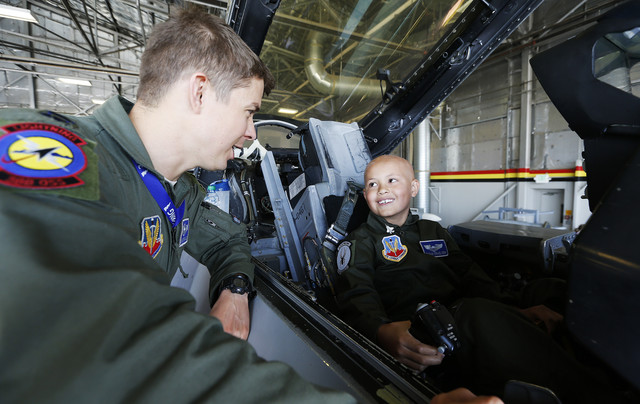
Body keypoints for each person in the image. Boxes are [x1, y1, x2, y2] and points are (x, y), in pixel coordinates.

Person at [335, 155, 627, 404]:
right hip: (421, 329)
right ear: (365, 196)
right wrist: (381, 331)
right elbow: (356, 294)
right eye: (372, 184)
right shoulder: (360, 241)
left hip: (464, 311)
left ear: (414, 188)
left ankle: (606, 363)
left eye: (391, 181)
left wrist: (515, 309)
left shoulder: (432, 230)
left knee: (551, 289)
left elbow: (469, 273)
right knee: (477, 313)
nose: (381, 190)